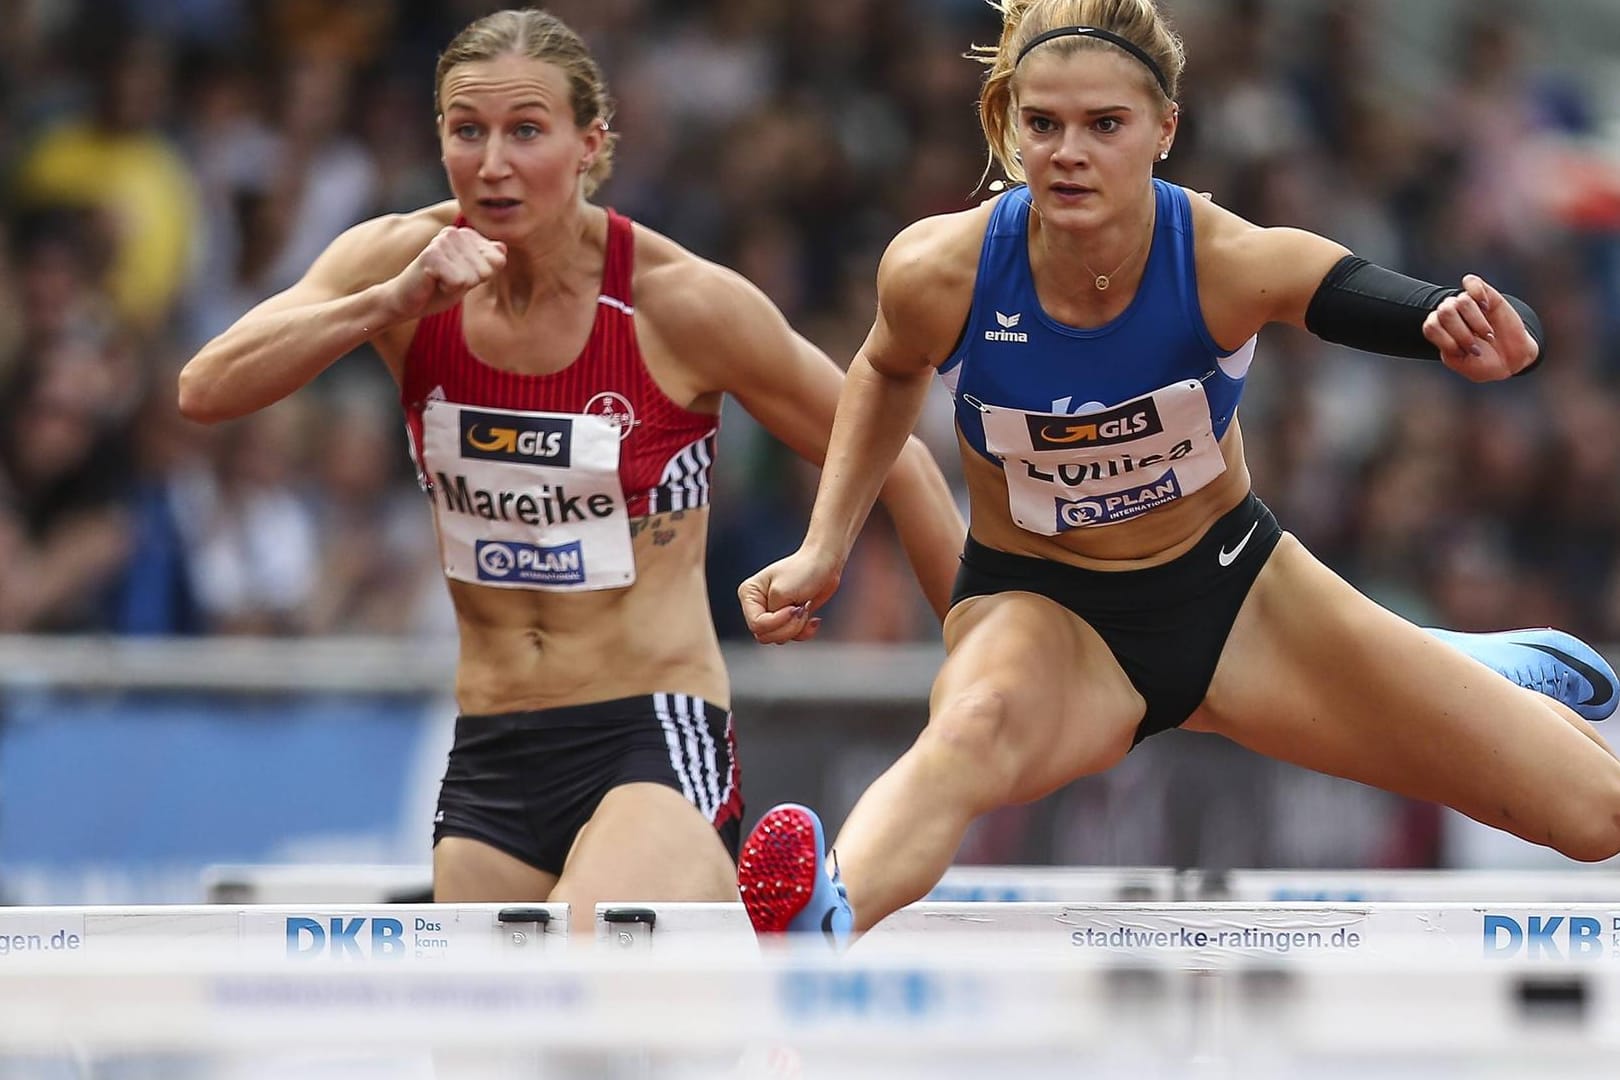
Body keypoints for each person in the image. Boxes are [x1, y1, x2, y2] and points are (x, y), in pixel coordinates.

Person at [733, 0, 1620, 942]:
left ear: (1165, 130)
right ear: (1010, 128)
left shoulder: (1222, 259)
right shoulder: (938, 271)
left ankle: (1459, 663)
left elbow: (1386, 296)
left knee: (1594, 814)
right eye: (1044, 124)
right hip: (1046, 615)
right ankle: (822, 914)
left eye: (1105, 125)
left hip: (1238, 599)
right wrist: (823, 546)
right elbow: (883, 368)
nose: (1069, 152)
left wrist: (1471, 324)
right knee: (968, 734)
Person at [177, 8, 965, 913]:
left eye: (525, 132)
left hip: (649, 732)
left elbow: (895, 456)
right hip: (493, 747)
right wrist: (388, 302)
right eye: (466, 132)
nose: (493, 163)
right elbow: (206, 388)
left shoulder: (677, 303)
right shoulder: (401, 264)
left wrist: (972, 672)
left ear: (590, 144)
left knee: (598, 978)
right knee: (485, 1051)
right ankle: (745, 983)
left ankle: (756, 939)